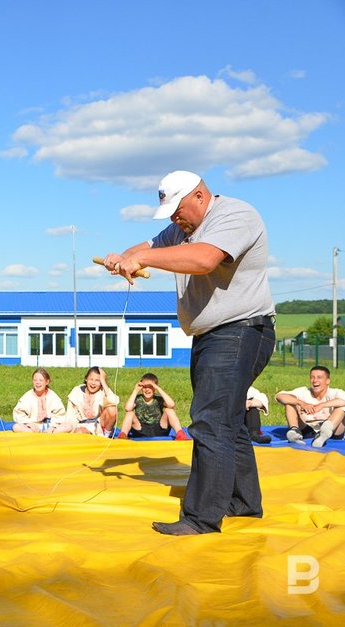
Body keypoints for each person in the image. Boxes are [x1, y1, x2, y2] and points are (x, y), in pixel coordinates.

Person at [102, 170, 274, 536]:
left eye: (178, 211)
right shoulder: (182, 228)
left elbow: (205, 260)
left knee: (210, 421)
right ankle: (243, 503)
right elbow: (146, 247)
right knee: (227, 421)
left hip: (241, 329)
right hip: (213, 333)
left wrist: (144, 260)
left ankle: (200, 518)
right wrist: (124, 258)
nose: (176, 220)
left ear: (199, 196)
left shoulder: (234, 215)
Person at [275, 366, 345, 448]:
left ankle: (325, 431)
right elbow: (280, 396)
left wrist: (322, 405)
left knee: (342, 407)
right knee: (290, 403)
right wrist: (301, 403)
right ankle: (294, 432)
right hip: (308, 430)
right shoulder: (304, 391)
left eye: (319, 377)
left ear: (328, 381)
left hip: (334, 432)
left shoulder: (335, 393)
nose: (315, 380)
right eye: (312, 377)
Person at [117, 372, 189, 440]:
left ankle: (180, 434)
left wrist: (158, 388)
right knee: (130, 413)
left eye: (150, 387)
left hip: (159, 429)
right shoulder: (138, 399)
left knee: (169, 410)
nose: (147, 390)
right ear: (141, 388)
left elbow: (171, 405)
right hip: (140, 429)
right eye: (145, 387)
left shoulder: (159, 399)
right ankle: (123, 434)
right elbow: (127, 408)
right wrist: (135, 391)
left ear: (154, 388)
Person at [66, 367, 120, 437]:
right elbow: (70, 415)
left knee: (112, 409)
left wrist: (103, 382)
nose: (93, 383)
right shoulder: (76, 391)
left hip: (99, 425)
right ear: (86, 379)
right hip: (81, 426)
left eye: (97, 380)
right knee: (80, 432)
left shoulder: (103, 391)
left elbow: (114, 401)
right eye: (91, 379)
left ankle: (106, 436)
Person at [11, 368, 69, 433]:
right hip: (33, 427)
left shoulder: (53, 397)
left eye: (40, 380)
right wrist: (28, 423)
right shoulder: (27, 396)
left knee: (68, 426)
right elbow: (18, 413)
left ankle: (51, 433)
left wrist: (52, 427)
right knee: (16, 427)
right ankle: (33, 435)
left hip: (50, 426)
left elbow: (60, 415)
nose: (37, 383)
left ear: (47, 382)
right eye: (35, 380)